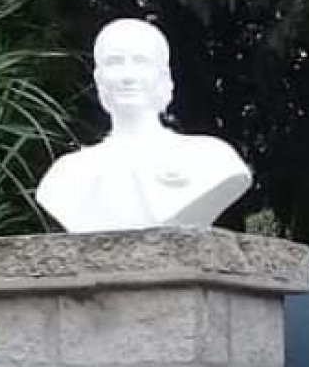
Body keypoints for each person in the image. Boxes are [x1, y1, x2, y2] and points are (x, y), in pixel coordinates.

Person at [36, 19, 251, 232]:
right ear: (99, 79)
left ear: (163, 76)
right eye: (115, 62)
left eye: (141, 61)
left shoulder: (212, 158)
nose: (128, 77)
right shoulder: (67, 174)